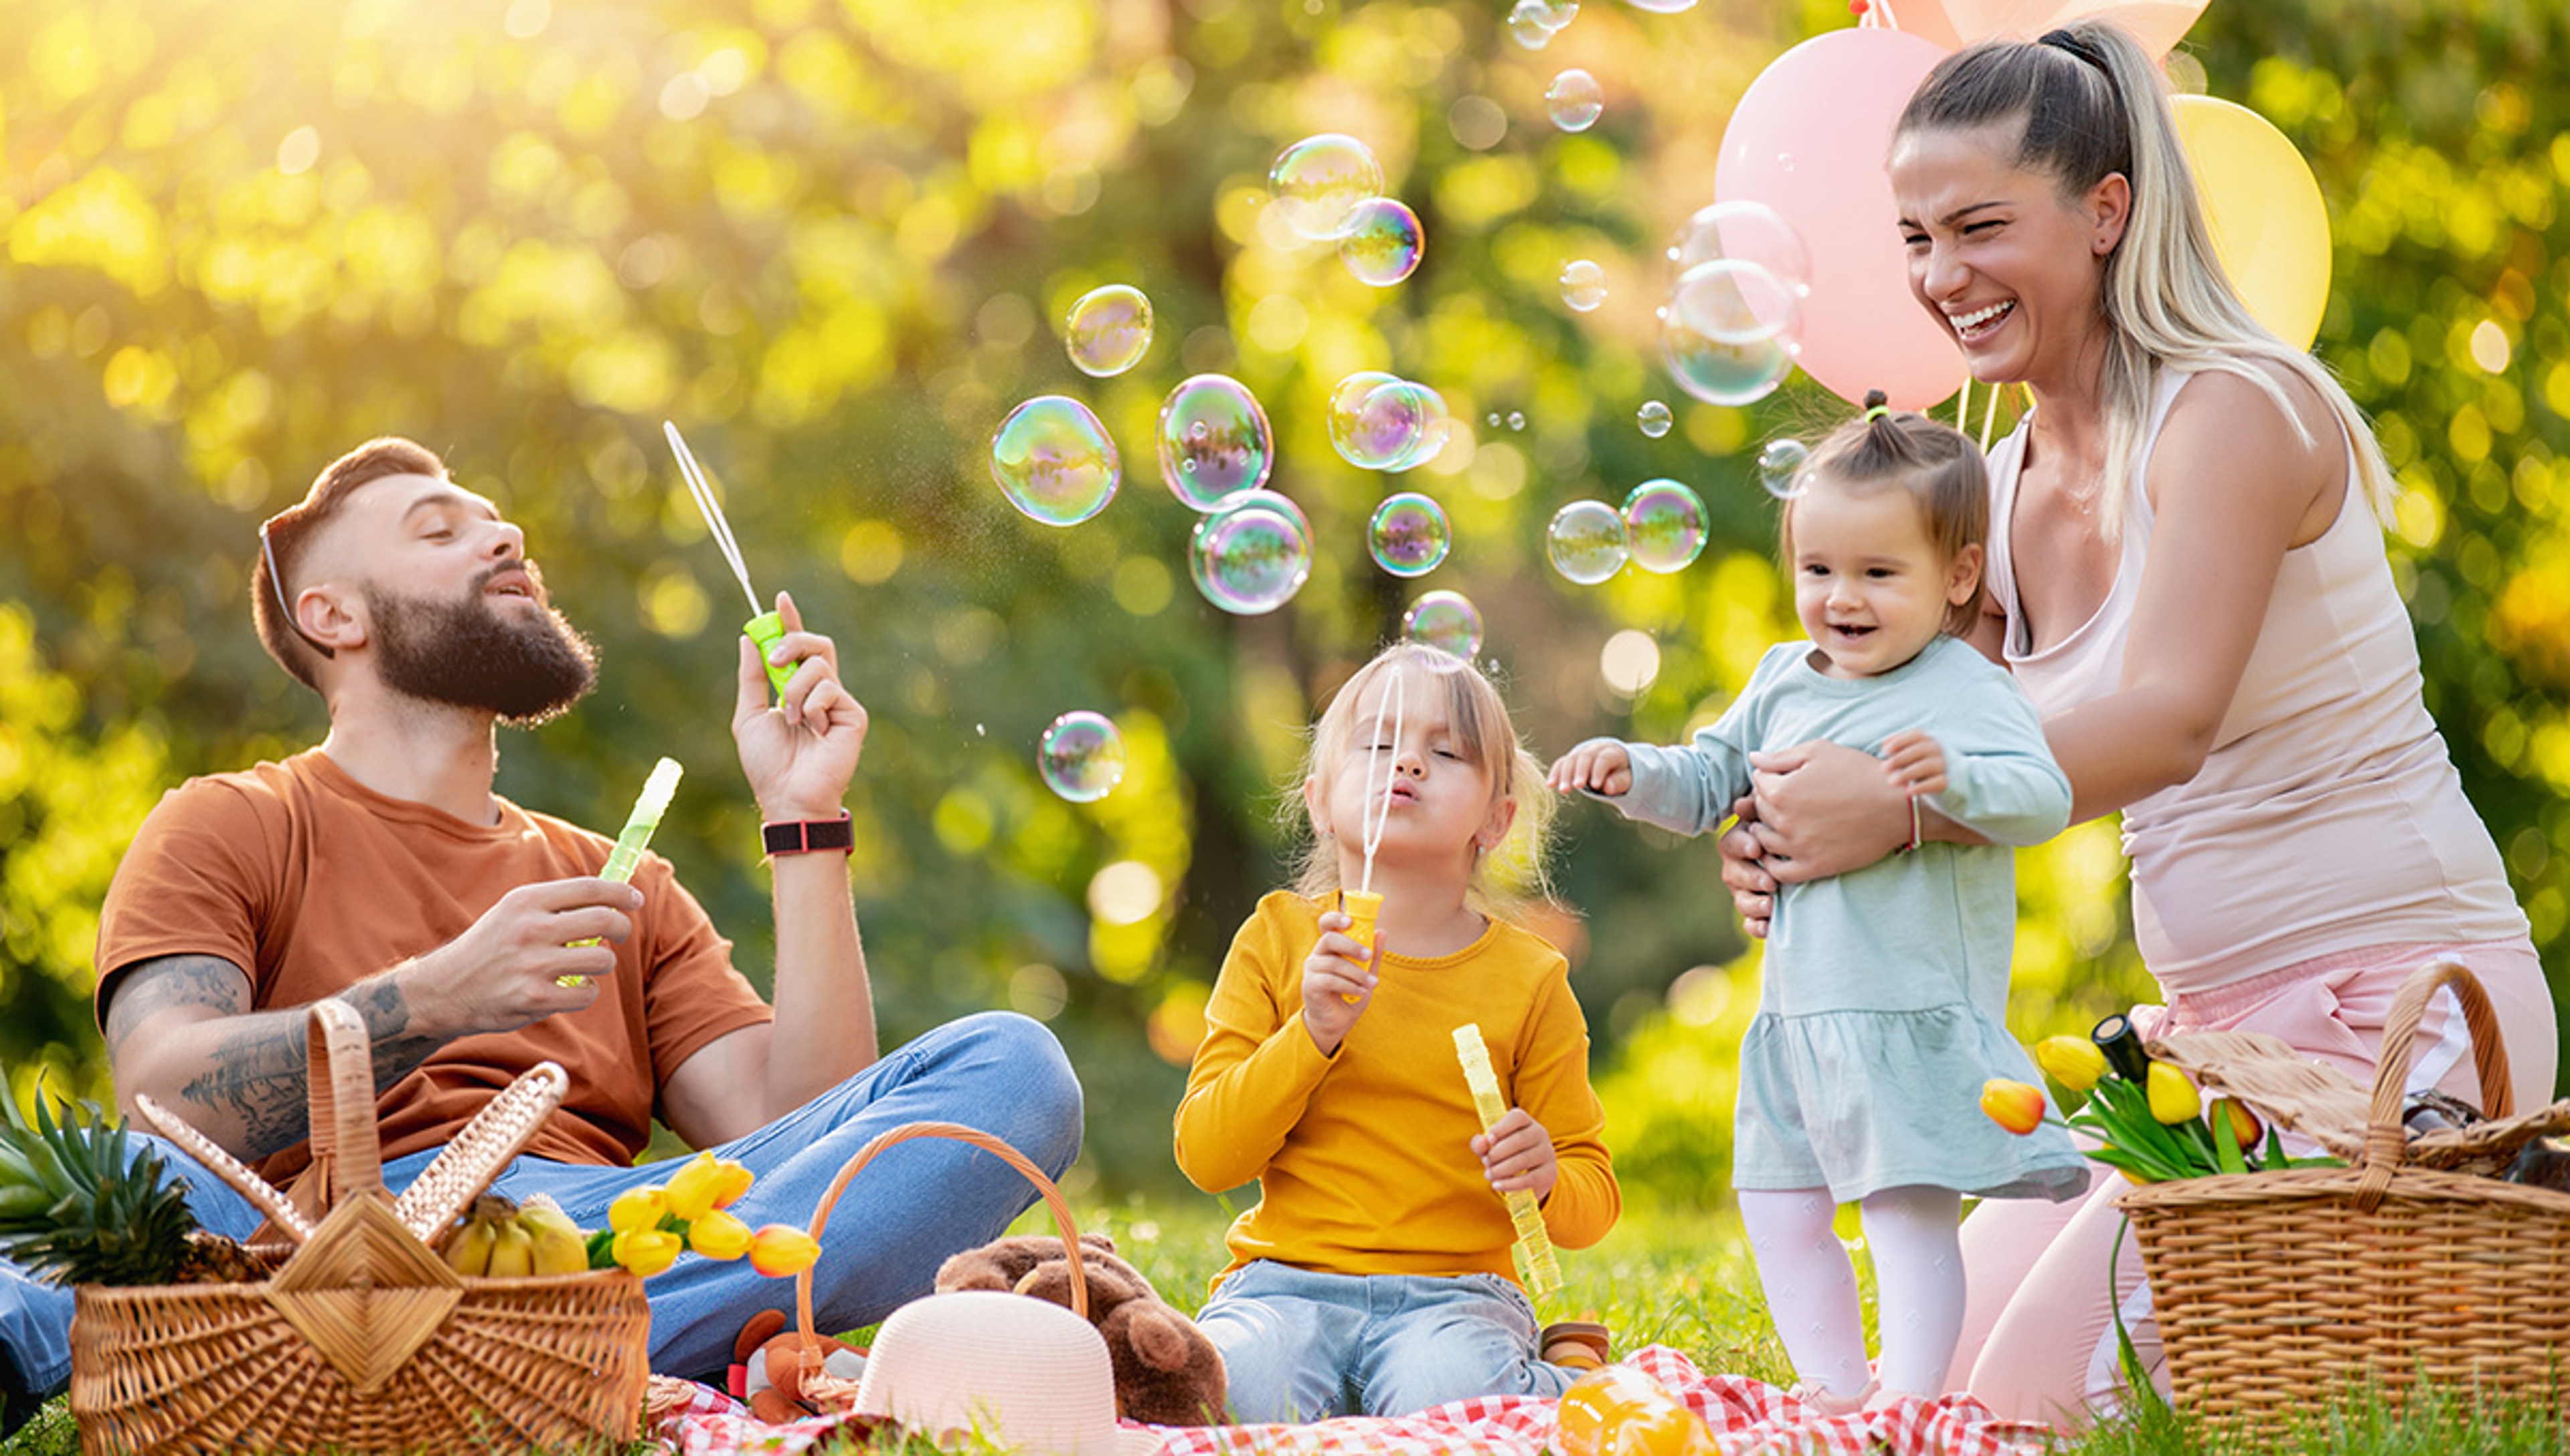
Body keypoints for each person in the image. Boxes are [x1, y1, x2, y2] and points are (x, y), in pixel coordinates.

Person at [1714, 21, 2559, 1425]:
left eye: (1982, 226)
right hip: (2205, 1057)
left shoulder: (2235, 411)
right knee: (1924, 1386)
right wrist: (1797, 825)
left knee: (2024, 1410)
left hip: (2396, 1028)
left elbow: (2162, 719)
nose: (1941, 277)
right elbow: (1913, 735)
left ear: (2106, 209)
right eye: (1918, 235)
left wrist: (1898, 805)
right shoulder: (1994, 482)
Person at [0, 437, 1082, 1428]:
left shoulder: (622, 887)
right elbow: (163, 1093)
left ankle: (435, 1346)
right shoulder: (233, 819)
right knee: (82, 1169)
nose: (504, 535)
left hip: (574, 1238)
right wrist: (436, 999)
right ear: (334, 614)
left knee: (1011, 1067)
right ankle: (499, 1351)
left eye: (497, 522)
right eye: (439, 528)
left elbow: (815, 1147)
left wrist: (804, 819)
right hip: (288, 1229)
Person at [1550, 399, 2085, 1411]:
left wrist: (1951, 782)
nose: (1844, 598)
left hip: (1907, 1020)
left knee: (1903, 1216)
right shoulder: (1782, 679)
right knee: (1779, 1206)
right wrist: (1636, 772)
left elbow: (2044, 797)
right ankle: (1836, 1388)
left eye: (1881, 574)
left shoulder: (1961, 690)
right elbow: (1712, 776)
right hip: (1795, 1025)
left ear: (1958, 578)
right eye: (1819, 570)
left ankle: (1912, 1400)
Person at [1173, 643, 1619, 1421]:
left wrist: (1548, 1173)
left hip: (1454, 1299)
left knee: (1445, 1397)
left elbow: (1593, 1201)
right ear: (1318, 799)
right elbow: (1208, 1157)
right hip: (1284, 1282)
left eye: (1445, 751)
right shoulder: (1277, 941)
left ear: (1497, 819)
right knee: (1236, 1393)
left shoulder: (1530, 978)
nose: (1407, 763)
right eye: (1378, 744)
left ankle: (1563, 1371)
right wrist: (1308, 1034)